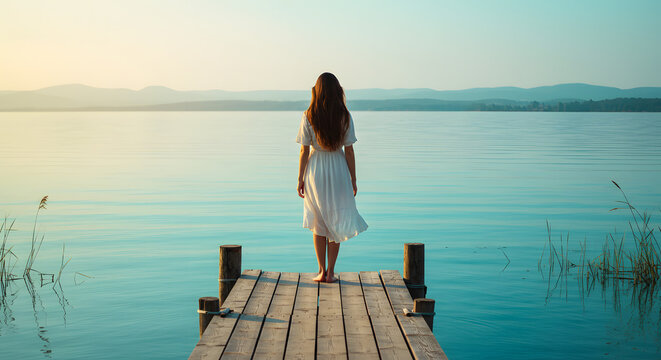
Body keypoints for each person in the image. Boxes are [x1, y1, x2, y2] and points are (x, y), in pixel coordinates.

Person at [296, 72, 368, 283]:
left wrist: (300, 178)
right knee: (335, 220)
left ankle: (320, 270)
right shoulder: (344, 115)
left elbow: (303, 150)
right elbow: (350, 151)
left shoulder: (309, 115)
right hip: (338, 169)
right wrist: (353, 180)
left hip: (315, 170)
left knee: (318, 222)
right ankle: (331, 273)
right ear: (337, 90)